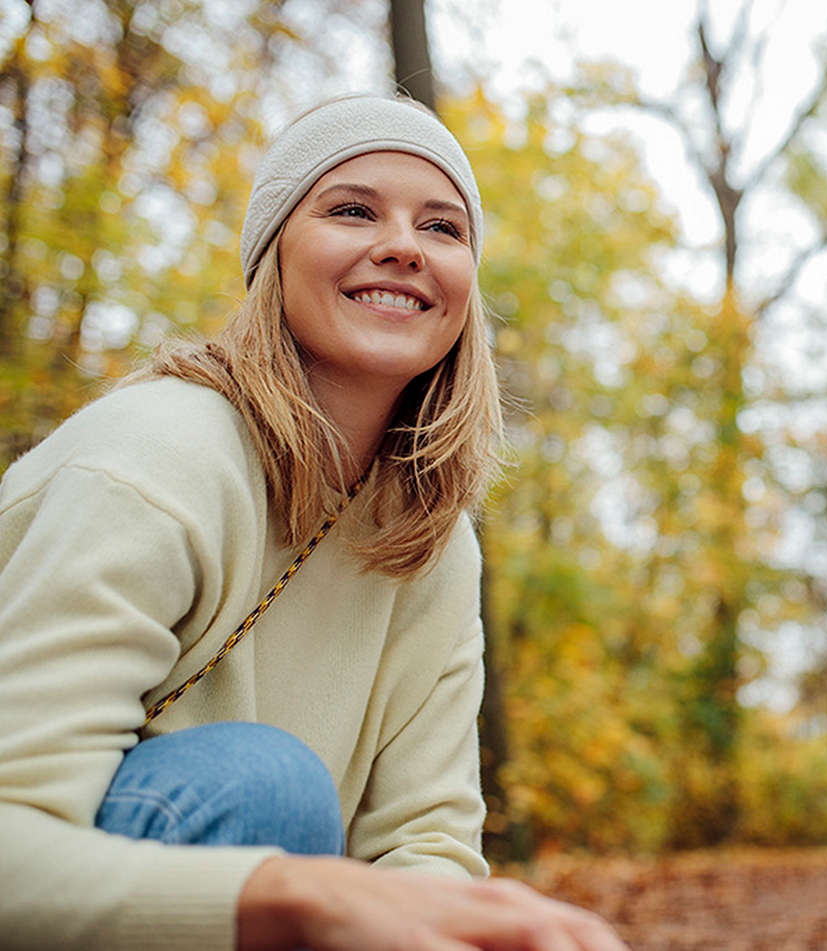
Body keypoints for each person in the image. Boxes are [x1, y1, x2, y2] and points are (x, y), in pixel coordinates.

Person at [0, 94, 628, 951]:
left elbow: (425, 845)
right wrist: (291, 896)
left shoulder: (432, 542)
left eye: (443, 229)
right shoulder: (155, 459)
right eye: (352, 210)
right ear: (274, 256)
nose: (405, 245)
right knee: (261, 788)